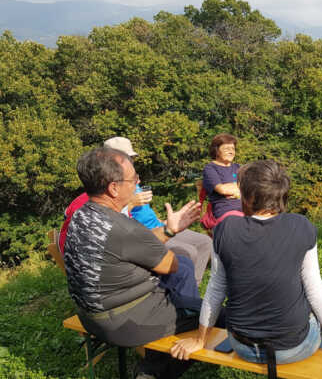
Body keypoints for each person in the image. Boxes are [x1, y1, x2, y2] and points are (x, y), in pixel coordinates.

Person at [170, 160, 322, 376]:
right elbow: (315, 289)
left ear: (249, 198)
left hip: (243, 346)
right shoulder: (301, 226)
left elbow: (215, 289)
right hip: (294, 349)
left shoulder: (224, 228)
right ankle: (320, 369)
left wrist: (200, 340)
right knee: (313, 306)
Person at [63, 147, 222, 378]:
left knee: (181, 296)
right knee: (217, 315)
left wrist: (169, 230)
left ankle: (154, 365)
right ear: (113, 188)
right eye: (133, 179)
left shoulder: (83, 215)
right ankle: (152, 373)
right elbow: (170, 265)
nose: (136, 182)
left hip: (91, 317)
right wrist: (169, 234)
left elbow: (131, 246)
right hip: (125, 322)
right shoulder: (122, 227)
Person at [58, 137, 212, 286]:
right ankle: (185, 297)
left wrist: (167, 227)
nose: (137, 181)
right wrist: (166, 229)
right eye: (124, 158)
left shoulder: (92, 207)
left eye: (130, 158)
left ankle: (190, 292)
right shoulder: (98, 212)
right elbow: (166, 263)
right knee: (184, 259)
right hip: (125, 301)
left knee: (200, 246)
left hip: (108, 289)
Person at [104, 137, 212, 285]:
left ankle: (193, 287)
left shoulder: (132, 179)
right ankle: (179, 292)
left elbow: (142, 211)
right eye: (125, 157)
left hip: (158, 225)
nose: (130, 161)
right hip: (143, 234)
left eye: (131, 157)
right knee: (188, 252)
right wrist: (131, 203)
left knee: (205, 242)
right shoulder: (108, 185)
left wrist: (163, 221)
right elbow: (109, 220)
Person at [202, 133, 244, 222]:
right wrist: (239, 188)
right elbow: (222, 190)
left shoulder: (238, 167)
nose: (231, 152)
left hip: (246, 209)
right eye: (227, 149)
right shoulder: (210, 168)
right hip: (225, 211)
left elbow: (251, 187)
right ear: (217, 151)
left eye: (233, 149)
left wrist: (234, 188)